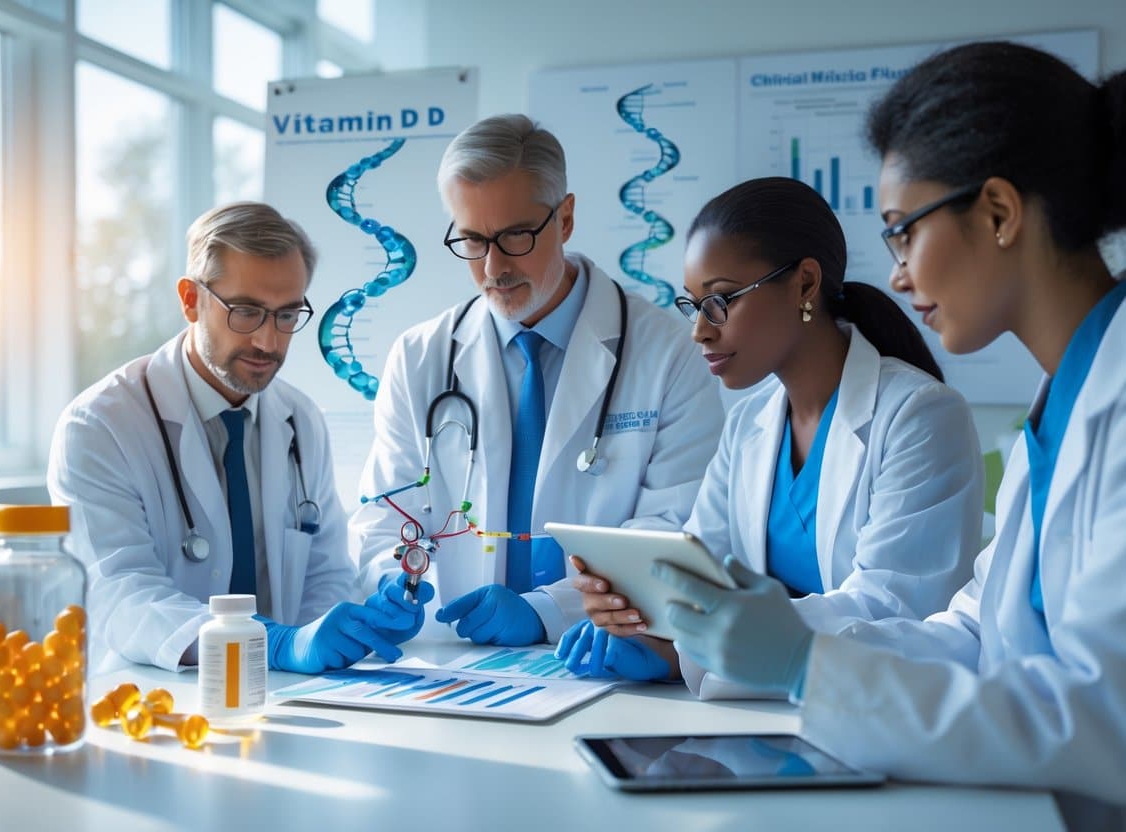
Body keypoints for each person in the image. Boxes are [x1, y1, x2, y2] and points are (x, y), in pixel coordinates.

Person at [651, 42, 1126, 827]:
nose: (897, 275)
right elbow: (973, 632)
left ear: (998, 213)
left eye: (903, 232)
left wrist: (804, 662)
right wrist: (785, 654)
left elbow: (1103, 715)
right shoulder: (1064, 402)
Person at [559, 176, 984, 687]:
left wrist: (698, 644)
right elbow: (702, 570)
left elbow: (894, 606)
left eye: (721, 300)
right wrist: (636, 609)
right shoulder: (748, 423)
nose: (700, 330)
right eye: (693, 305)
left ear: (804, 284)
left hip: (870, 699)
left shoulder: (920, 416)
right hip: (765, 703)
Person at [349, 114, 724, 647]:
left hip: (602, 649)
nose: (493, 267)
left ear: (565, 219)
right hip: (456, 657)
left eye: (515, 236)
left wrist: (550, 609)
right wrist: (393, 580)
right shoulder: (419, 356)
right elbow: (384, 515)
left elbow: (676, 527)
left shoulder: (666, 352)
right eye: (472, 240)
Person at [48, 202, 431, 674]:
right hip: (160, 692)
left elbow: (326, 572)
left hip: (288, 694)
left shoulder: (300, 420)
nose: (269, 342)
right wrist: (272, 644)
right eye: (246, 312)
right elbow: (120, 594)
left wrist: (348, 627)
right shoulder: (100, 426)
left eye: (287, 315)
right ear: (191, 299)